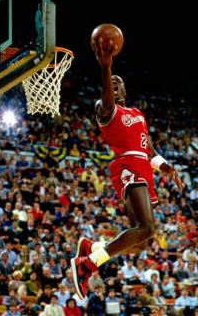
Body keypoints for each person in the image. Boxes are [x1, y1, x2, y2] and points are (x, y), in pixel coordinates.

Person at [71, 33, 183, 300]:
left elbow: (151, 151)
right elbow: (107, 99)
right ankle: (87, 264)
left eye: (118, 82)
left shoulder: (137, 114)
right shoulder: (105, 108)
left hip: (143, 166)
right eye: (112, 83)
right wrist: (106, 68)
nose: (114, 84)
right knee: (148, 228)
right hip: (128, 165)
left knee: (141, 243)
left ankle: (92, 247)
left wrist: (167, 168)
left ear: (125, 90)